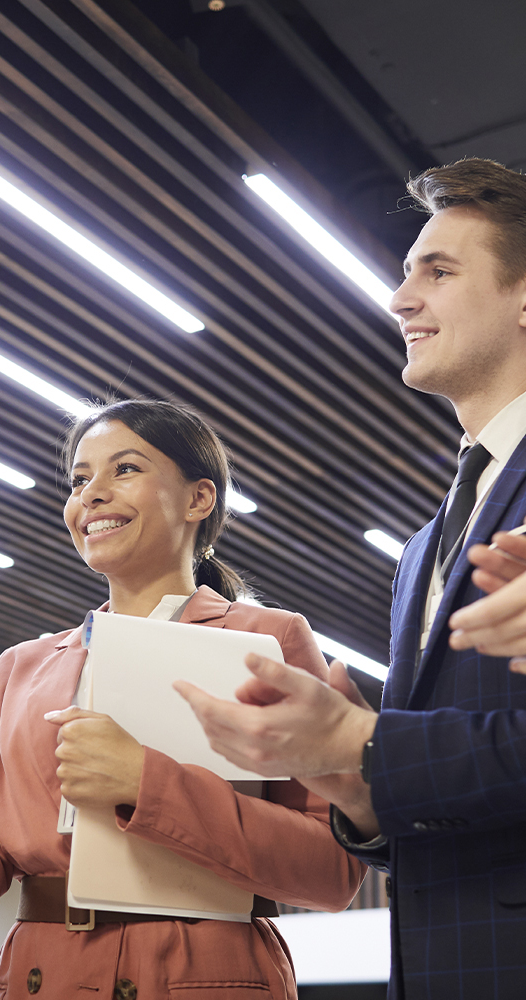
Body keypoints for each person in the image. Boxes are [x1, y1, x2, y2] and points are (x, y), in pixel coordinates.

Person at [0, 399, 364, 999]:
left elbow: (334, 870)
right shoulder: (19, 670)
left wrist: (146, 781)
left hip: (208, 974)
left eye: (125, 469)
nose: (92, 494)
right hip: (41, 975)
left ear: (198, 499)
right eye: (80, 480)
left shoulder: (269, 641)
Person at [176, 158, 526, 1000]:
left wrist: (362, 744)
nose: (401, 299)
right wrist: (361, 791)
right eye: (406, 274)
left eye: (438, 272)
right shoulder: (421, 549)